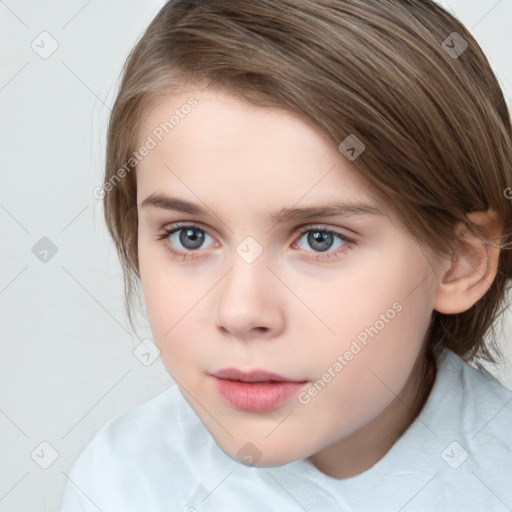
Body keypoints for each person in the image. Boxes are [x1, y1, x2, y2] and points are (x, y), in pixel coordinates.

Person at [61, 0, 512, 510]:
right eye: (190, 235)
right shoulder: (122, 482)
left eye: (321, 239)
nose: (240, 312)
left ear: (459, 260)